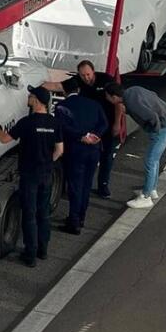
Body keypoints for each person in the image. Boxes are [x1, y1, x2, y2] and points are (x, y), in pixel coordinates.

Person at [0, 85, 63, 267]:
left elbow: (5, 139)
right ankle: (42, 250)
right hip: (46, 173)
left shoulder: (27, 123)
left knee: (29, 213)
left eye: (30, 96)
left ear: (36, 100)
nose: (28, 97)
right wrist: (47, 162)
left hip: (29, 174)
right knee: (43, 213)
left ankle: (30, 255)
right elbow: (60, 150)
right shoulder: (55, 123)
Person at [44, 59, 123, 197]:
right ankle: (77, 187)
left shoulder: (106, 80)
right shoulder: (77, 81)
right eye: (83, 75)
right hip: (87, 127)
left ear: (93, 71)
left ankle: (103, 186)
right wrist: (40, 87)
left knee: (107, 156)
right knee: (82, 157)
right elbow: (59, 86)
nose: (86, 78)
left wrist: (117, 123)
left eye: (88, 74)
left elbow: (118, 103)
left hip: (106, 123)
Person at [105, 82, 166, 208]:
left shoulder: (131, 103)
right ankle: (151, 189)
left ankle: (146, 196)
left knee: (150, 161)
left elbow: (152, 117)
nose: (107, 99)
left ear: (114, 97)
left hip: (163, 128)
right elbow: (153, 95)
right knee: (154, 160)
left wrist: (155, 132)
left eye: (108, 97)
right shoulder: (133, 90)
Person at [54, 77, 109, 234]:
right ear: (78, 90)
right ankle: (81, 217)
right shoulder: (94, 104)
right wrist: (95, 135)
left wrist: (81, 136)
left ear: (64, 92)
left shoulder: (61, 106)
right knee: (86, 185)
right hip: (94, 150)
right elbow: (104, 123)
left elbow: (63, 128)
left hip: (75, 151)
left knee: (75, 186)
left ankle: (74, 222)